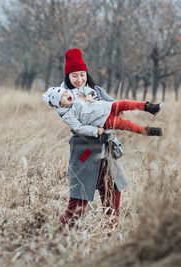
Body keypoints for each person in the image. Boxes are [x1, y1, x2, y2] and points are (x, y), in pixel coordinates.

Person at [50, 48, 161, 227]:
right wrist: (97, 123)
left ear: (86, 73)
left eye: (82, 74)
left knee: (113, 195)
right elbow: (78, 125)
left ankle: (109, 235)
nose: (79, 80)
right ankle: (55, 236)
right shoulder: (64, 99)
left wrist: (108, 109)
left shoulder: (97, 91)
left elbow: (114, 106)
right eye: (74, 76)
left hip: (107, 151)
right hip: (84, 153)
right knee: (77, 205)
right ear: (67, 78)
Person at [42, 86, 163, 137]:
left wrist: (89, 94)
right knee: (126, 125)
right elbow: (78, 128)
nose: (67, 95)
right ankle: (148, 131)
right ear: (59, 104)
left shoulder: (74, 92)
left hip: (106, 106)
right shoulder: (67, 115)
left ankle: (151, 107)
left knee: (126, 103)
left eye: (65, 92)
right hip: (104, 121)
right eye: (62, 97)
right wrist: (94, 131)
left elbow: (85, 89)